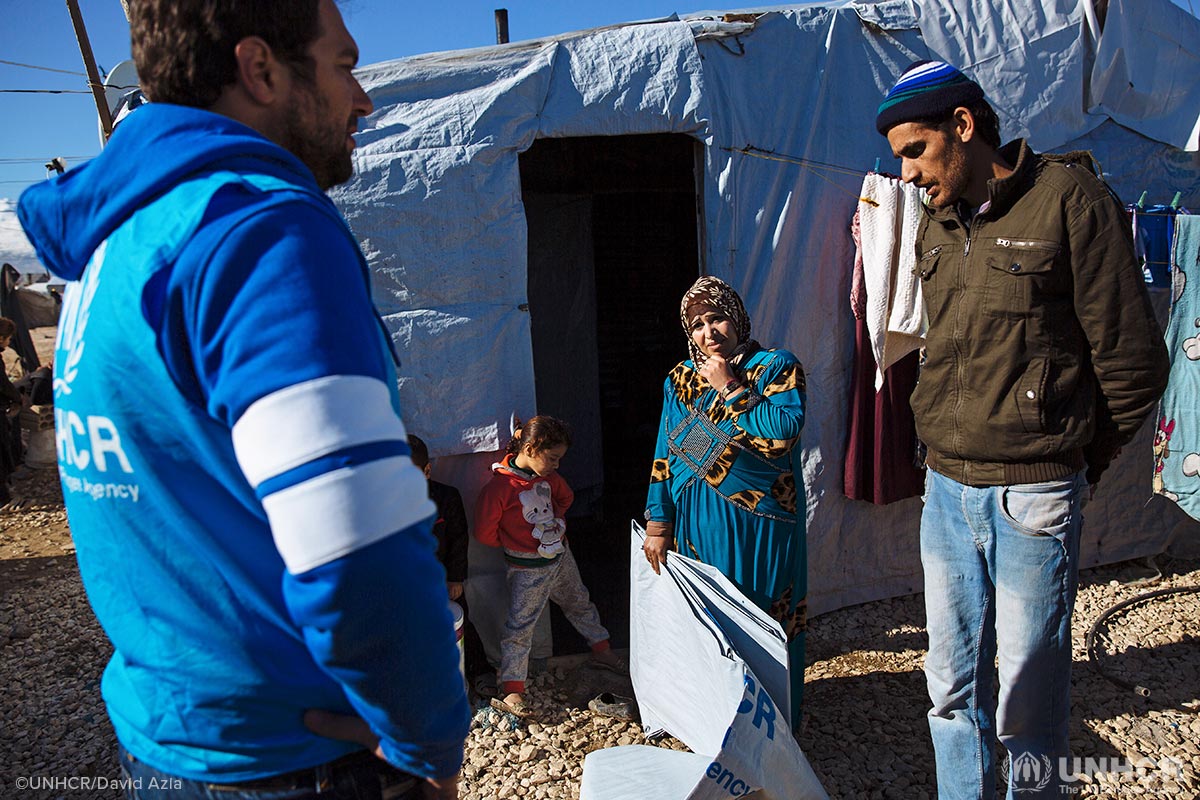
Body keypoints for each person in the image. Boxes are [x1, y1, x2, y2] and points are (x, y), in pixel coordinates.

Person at [17, 2, 469, 798]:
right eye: (343, 63)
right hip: (295, 762)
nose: (363, 97)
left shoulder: (119, 239)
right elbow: (356, 545)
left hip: (168, 736)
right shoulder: (260, 230)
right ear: (261, 68)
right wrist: (428, 738)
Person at [875, 60, 1170, 799]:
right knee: (948, 688)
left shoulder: (1070, 201)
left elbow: (1134, 365)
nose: (906, 175)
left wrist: (1069, 464)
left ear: (964, 127)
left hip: (1034, 497)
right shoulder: (936, 226)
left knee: (1026, 707)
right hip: (944, 492)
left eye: (915, 151)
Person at [642, 275, 809, 728]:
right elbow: (666, 450)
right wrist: (659, 520)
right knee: (714, 622)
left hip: (761, 517)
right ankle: (722, 724)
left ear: (736, 319)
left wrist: (730, 385)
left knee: (761, 614)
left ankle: (774, 729)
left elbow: (782, 432)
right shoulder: (678, 379)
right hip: (698, 520)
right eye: (697, 325)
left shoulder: (777, 366)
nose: (708, 333)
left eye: (716, 319)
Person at [474, 415, 625, 718]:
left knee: (579, 601)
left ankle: (602, 650)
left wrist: (555, 525)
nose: (557, 465)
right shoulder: (500, 487)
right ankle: (513, 688)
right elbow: (483, 531)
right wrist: (514, 542)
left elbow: (565, 498)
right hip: (528, 568)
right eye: (553, 458)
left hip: (560, 556)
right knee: (521, 625)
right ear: (529, 449)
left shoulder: (549, 479)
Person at [407, 433, 489, 684]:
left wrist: (455, 578)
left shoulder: (447, 498)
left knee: (459, 621)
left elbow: (458, 539)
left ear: (427, 470)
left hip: (443, 578)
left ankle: (479, 671)